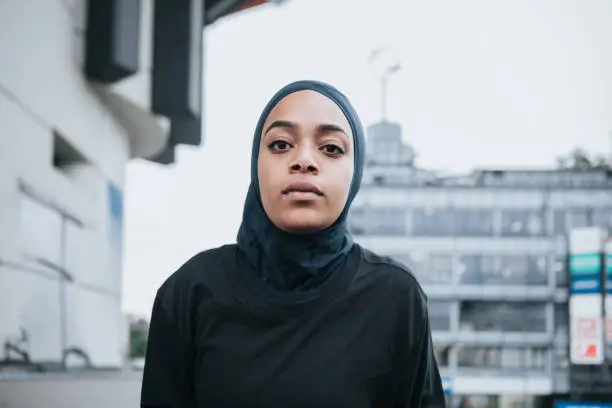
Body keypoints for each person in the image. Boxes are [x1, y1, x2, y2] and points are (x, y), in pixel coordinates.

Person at [140, 80, 446, 408]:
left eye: (330, 148)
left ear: (354, 173)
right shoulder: (189, 293)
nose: (303, 161)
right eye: (281, 144)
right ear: (256, 166)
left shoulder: (396, 298)